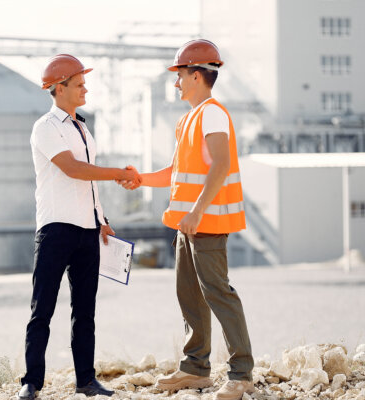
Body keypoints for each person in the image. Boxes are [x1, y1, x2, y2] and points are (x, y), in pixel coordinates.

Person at [119, 39, 254, 400]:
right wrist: (142, 178)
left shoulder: (211, 112)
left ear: (196, 76)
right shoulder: (189, 118)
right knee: (190, 295)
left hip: (205, 223)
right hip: (188, 225)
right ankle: (195, 369)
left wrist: (196, 211)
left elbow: (222, 165)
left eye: (179, 76)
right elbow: (179, 172)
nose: (175, 83)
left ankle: (241, 373)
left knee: (218, 294)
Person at [17, 54, 140, 400]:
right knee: (42, 308)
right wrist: (119, 173)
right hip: (56, 229)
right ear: (59, 88)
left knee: (85, 311)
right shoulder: (45, 127)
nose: (86, 87)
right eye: (79, 83)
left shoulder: (83, 129)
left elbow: (89, 183)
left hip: (88, 230)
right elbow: (72, 169)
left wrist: (102, 220)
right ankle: (32, 383)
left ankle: (86, 381)